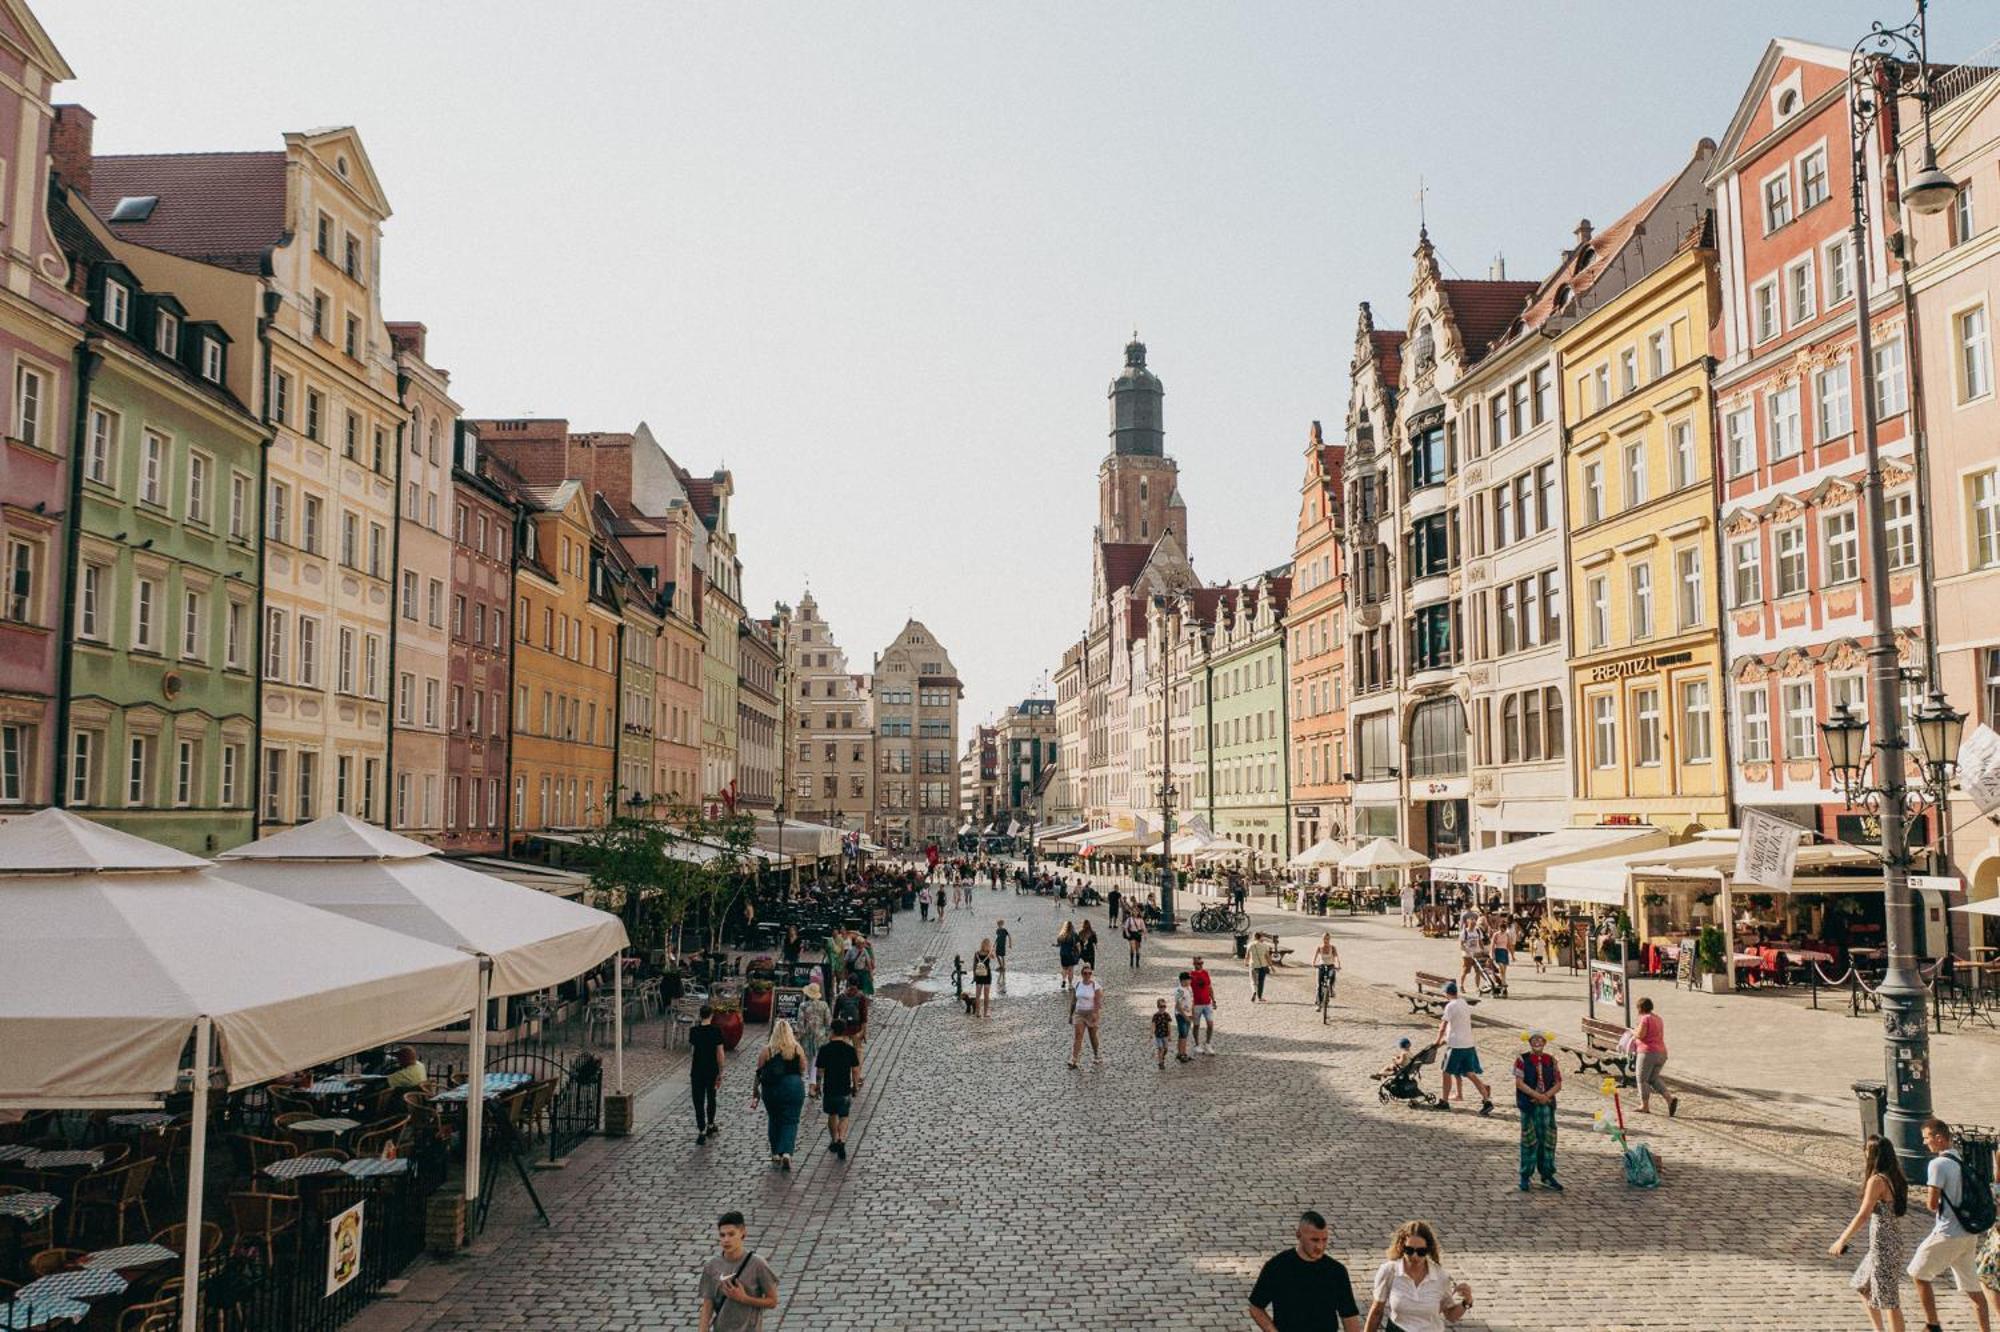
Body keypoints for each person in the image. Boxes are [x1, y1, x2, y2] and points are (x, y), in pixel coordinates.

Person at [1909, 1118, 1994, 1332]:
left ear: (1939, 1138)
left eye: (1927, 1138)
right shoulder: (1960, 1161)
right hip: (1968, 1233)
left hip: (1948, 1233)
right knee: (1974, 1290)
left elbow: (1931, 1203)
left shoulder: (1937, 1164)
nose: (1925, 1143)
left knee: (1918, 1273)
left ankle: (1933, 1324)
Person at [1830, 1134, 1909, 1331]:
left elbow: (1863, 1214)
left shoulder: (1877, 1180)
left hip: (1884, 1246)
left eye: (1867, 1151)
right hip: (1886, 1243)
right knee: (1862, 1284)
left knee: (1889, 1299)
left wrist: (1842, 1239)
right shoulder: (1895, 1176)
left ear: (1873, 1154)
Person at [1247, 1209, 1362, 1332]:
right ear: (1298, 1235)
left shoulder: (1336, 1271)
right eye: (1314, 1240)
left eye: (1324, 1240)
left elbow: (1349, 1316)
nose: (1320, 1247)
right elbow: (1256, 1307)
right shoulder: (1278, 1267)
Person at [1363, 1221, 1471, 1332]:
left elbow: (1450, 1315)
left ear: (1428, 1250)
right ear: (1401, 1246)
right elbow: (1376, 1311)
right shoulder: (1389, 1271)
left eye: (1421, 1252)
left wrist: (1466, 1302)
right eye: (1409, 1250)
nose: (1414, 1256)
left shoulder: (1440, 1277)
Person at [699, 1210, 779, 1332]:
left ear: (743, 1233)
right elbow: (708, 1304)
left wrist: (744, 1298)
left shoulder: (758, 1264)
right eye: (722, 1235)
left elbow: (772, 1301)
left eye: (731, 1234)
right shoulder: (712, 1266)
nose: (726, 1240)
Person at [749, 1020, 807, 1170]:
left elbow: (759, 1071)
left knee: (774, 1118)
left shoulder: (767, 1050)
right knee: (791, 1120)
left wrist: (755, 1091)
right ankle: (786, 1152)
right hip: (793, 1085)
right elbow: (803, 1068)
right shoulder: (796, 1048)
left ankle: (775, 1152)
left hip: (772, 1088)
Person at [1512, 1031, 1563, 1192]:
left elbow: (1558, 1083)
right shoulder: (1522, 1060)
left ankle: (1547, 1174)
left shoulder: (1551, 1060)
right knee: (1529, 1140)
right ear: (1529, 1042)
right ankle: (1525, 1175)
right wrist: (1536, 1095)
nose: (1537, 1042)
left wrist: (1546, 1096)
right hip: (1529, 1105)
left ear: (1545, 1042)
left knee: (1548, 1140)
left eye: (1540, 1039)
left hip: (1547, 1106)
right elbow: (1519, 1083)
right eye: (1534, 1039)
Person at [1434, 983, 1492, 1115]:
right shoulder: (1464, 1003)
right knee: (1470, 1073)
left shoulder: (1450, 1005)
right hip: (1468, 1044)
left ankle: (1444, 1101)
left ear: (1446, 993)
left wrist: (1437, 1041)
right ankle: (1486, 1100)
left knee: (1446, 1072)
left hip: (1456, 1046)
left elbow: (1443, 1025)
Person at [816, 1020, 860, 1161]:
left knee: (832, 1114)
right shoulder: (849, 1049)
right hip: (844, 1088)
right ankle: (842, 1138)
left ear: (832, 1031)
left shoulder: (825, 1049)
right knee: (844, 1116)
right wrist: (855, 1086)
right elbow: (855, 1070)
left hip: (830, 1088)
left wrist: (817, 1085)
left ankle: (834, 1139)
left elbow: (820, 1070)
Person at [1631, 997, 1677, 1116]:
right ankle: (1670, 1099)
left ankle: (1644, 1106)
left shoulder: (1645, 1019)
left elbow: (1641, 1035)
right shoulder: (1658, 1018)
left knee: (1642, 1079)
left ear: (1640, 1008)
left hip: (1648, 1053)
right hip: (1661, 1053)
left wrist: (1633, 1032)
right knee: (1653, 1079)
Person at [689, 1006, 725, 1144]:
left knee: (698, 1100)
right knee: (711, 1097)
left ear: (700, 1015)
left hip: (697, 1070)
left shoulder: (694, 1031)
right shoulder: (716, 1031)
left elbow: (692, 1052)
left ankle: (701, 1129)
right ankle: (710, 1124)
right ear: (711, 1015)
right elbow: (720, 1053)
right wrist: (721, 1071)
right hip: (711, 1069)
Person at [796, 983, 830, 1097]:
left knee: (810, 1061)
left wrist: (798, 1037)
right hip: (820, 1037)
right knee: (816, 1061)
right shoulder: (824, 1005)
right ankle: (814, 1084)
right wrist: (827, 1035)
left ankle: (812, 1085)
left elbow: (800, 1024)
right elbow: (828, 1022)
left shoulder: (803, 1006)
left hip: (807, 1037)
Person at [1068, 963, 1104, 1069]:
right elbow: (1073, 1000)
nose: (1087, 975)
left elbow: (1098, 1002)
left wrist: (1095, 1013)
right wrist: (1070, 1014)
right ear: (1082, 974)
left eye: (1089, 973)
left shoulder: (1095, 985)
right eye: (1085, 973)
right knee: (1078, 1035)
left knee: (1093, 1036)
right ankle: (1074, 1059)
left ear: (1091, 974)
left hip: (1091, 1013)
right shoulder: (1078, 984)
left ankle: (1096, 1054)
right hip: (1079, 1013)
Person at [832, 979, 869, 1063]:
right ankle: (857, 1072)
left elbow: (835, 1015)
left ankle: (845, 1069)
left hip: (844, 1028)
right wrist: (864, 1031)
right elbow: (864, 1016)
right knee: (858, 1050)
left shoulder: (841, 996)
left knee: (844, 1051)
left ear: (847, 983)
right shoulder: (861, 996)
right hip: (856, 1028)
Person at [1190, 957, 1217, 1054]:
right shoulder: (1191, 975)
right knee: (1196, 1025)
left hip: (1207, 1003)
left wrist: (1213, 1000)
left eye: (1202, 963)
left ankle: (1208, 1043)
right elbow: (1188, 990)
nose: (1200, 965)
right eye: (1198, 963)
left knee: (1210, 1024)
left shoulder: (1205, 973)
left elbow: (1209, 987)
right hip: (1196, 1004)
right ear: (1194, 964)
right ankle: (1197, 1045)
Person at [1312, 933, 1340, 1017]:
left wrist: (1339, 965)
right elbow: (1315, 956)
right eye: (1324, 939)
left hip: (1330, 965)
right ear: (1322, 939)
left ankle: (1331, 989)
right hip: (1322, 966)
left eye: (1327, 939)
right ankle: (1318, 1004)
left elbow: (1337, 958)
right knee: (1319, 985)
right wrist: (1313, 963)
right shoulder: (1319, 948)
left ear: (1329, 939)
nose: (1326, 940)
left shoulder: (1333, 948)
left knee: (1332, 975)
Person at [1456, 912, 1487, 986]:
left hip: (1477, 953)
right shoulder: (1464, 932)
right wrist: (1467, 951)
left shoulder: (1478, 931)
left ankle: (1477, 987)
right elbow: (1461, 945)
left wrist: (1483, 950)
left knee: (1478, 971)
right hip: (1467, 955)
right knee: (1466, 971)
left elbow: (1480, 942)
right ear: (1468, 923)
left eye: (1474, 924)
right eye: (1471, 924)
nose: (1473, 926)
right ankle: (1461, 985)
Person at [1173, 972, 1195, 1063]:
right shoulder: (1179, 990)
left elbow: (1192, 1001)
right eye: (1188, 979)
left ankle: (1181, 1052)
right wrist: (1185, 1016)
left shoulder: (1189, 988)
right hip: (1181, 1015)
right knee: (1183, 1035)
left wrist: (1192, 1013)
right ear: (1183, 980)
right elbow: (1178, 1006)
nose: (1190, 981)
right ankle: (1182, 1054)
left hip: (1188, 1014)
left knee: (1184, 1034)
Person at [1246, 933, 1274, 1003]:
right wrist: (1271, 966)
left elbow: (1247, 955)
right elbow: (1267, 957)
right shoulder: (1265, 946)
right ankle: (1260, 997)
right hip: (1263, 966)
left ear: (1254, 937)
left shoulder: (1250, 945)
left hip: (1253, 965)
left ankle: (1254, 991)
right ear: (1261, 937)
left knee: (1253, 981)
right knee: (1261, 982)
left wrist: (1246, 962)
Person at [972, 938, 995, 1017]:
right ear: (988, 945)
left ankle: (978, 1012)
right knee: (986, 995)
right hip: (987, 975)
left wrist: (974, 976)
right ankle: (985, 1012)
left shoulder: (976, 953)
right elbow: (993, 957)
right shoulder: (989, 953)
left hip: (978, 975)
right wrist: (991, 950)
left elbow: (974, 965)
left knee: (978, 995)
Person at [1489, 917, 1514, 990]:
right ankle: (1503, 981)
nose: (1501, 930)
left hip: (1505, 951)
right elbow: (1492, 944)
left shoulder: (1507, 935)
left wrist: (1512, 955)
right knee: (1501, 967)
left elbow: (1509, 945)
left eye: (1503, 928)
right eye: (1500, 928)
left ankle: (1502, 981)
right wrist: (1492, 953)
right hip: (1498, 951)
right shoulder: (1496, 934)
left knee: (1504, 969)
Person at [1056, 921, 1080, 989]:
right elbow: (1078, 945)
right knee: (1071, 970)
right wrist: (1079, 952)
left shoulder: (1061, 934)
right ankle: (1070, 984)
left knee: (1064, 968)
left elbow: (1058, 943)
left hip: (1063, 953)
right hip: (1071, 953)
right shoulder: (1074, 934)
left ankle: (1063, 980)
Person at [1152, 998, 1172, 1070]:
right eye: (1161, 1006)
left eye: (1164, 1006)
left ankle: (1162, 1057)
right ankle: (1161, 1063)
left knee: (1165, 1049)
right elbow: (1153, 1025)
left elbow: (1169, 1025)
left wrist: (1169, 1035)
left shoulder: (1167, 1015)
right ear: (1158, 1007)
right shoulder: (1155, 1016)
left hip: (1165, 1035)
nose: (1163, 1008)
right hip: (1158, 1035)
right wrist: (1152, 1033)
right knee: (1161, 1048)